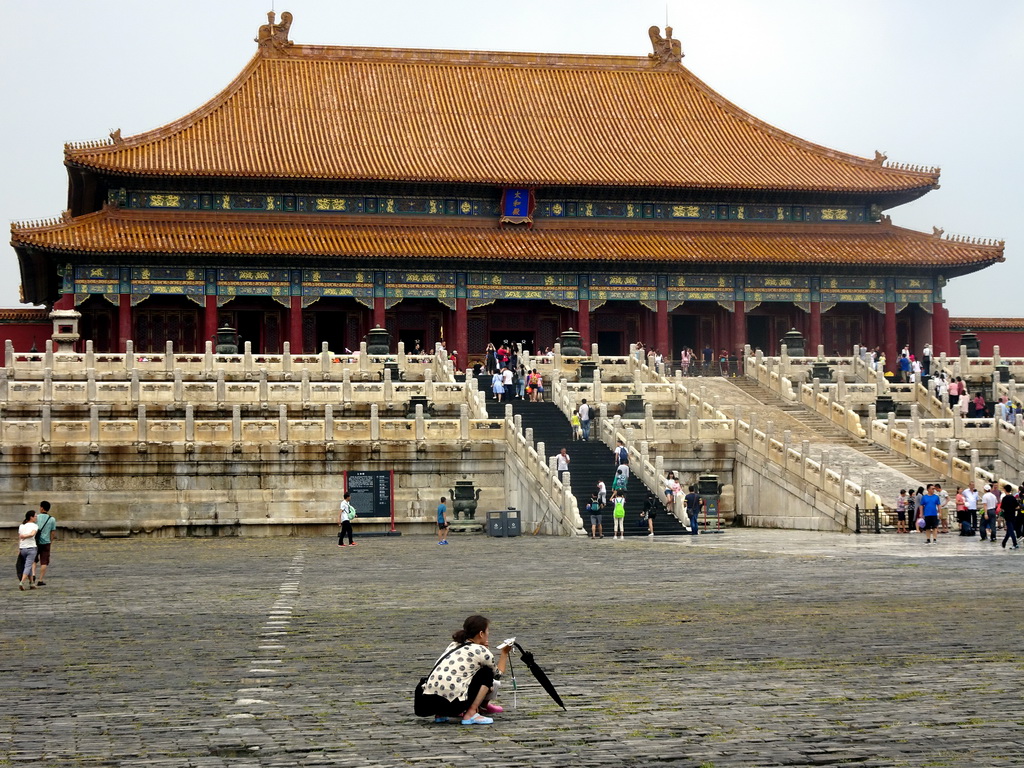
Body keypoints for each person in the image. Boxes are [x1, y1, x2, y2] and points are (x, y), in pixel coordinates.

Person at [420, 614, 511, 725]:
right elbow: (497, 675)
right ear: (481, 634)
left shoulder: (453, 644)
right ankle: (471, 713)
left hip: (429, 702)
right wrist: (504, 653)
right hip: (453, 704)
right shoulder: (481, 650)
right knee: (486, 673)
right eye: (487, 632)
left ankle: (441, 714)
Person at [33, 501, 56, 585]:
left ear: (42, 508)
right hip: (46, 542)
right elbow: (53, 532)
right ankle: (40, 580)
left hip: (36, 542)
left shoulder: (36, 517)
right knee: (44, 561)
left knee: (34, 560)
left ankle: (33, 574)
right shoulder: (52, 519)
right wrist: (51, 540)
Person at [17, 510, 38, 590]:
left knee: (28, 565)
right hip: (31, 548)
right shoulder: (34, 526)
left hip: (23, 548)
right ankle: (22, 582)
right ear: (31, 517)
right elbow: (32, 534)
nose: (36, 518)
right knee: (28, 566)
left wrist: (19, 548)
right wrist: (25, 536)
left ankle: (32, 583)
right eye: (35, 516)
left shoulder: (21, 526)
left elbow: (19, 537)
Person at [1000, 484, 1020, 550]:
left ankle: (1015, 543)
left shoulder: (1004, 498)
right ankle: (1004, 542)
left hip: (1007, 516)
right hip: (1013, 515)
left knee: (1011, 530)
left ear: (1005, 490)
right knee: (1009, 530)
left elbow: (1002, 508)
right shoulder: (1013, 498)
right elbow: (1017, 506)